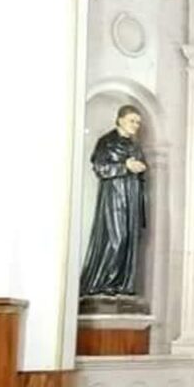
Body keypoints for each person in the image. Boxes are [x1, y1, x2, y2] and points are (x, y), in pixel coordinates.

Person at [80, 105, 147, 297]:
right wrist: (125, 166)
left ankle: (122, 284)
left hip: (132, 196)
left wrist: (140, 169)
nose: (136, 125)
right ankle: (105, 282)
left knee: (129, 240)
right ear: (120, 120)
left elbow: (141, 171)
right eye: (132, 121)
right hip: (114, 196)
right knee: (116, 238)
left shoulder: (135, 145)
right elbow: (100, 168)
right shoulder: (106, 142)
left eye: (138, 122)